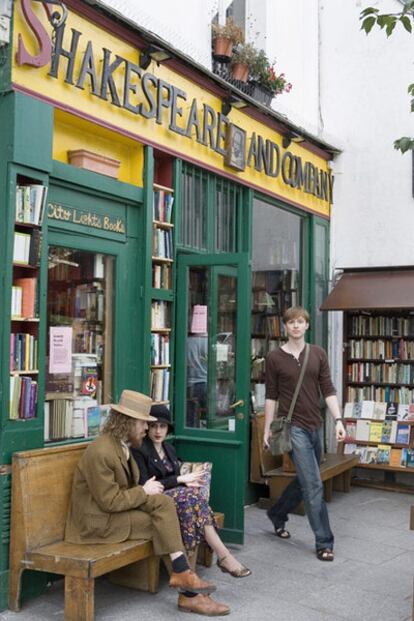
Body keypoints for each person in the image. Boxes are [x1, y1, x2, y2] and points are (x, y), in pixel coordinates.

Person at [65, 389, 230, 616]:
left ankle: (184, 578)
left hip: (114, 514)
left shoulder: (123, 447)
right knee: (161, 524)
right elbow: (109, 502)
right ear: (128, 422)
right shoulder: (101, 451)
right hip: (95, 523)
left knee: (164, 506)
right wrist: (144, 491)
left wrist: (149, 493)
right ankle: (189, 592)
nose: (147, 429)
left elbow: (127, 493)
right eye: (144, 423)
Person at [263, 306, 346, 562]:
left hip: (315, 426)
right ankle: (324, 542)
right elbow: (271, 396)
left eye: (300, 322)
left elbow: (328, 390)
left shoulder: (318, 354)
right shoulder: (275, 358)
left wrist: (338, 420)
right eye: (291, 322)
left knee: (304, 479)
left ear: (307, 325)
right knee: (313, 485)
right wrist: (267, 428)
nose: (296, 326)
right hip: (293, 428)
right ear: (285, 327)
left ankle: (277, 513)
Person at [131, 404, 251, 578]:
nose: (158, 431)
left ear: (168, 429)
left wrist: (188, 481)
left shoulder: (169, 449)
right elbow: (147, 485)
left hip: (178, 500)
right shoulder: (140, 450)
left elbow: (177, 476)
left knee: (192, 502)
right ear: (147, 427)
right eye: (154, 426)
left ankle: (191, 572)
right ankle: (222, 557)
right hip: (154, 500)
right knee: (191, 499)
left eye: (163, 426)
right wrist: (179, 480)